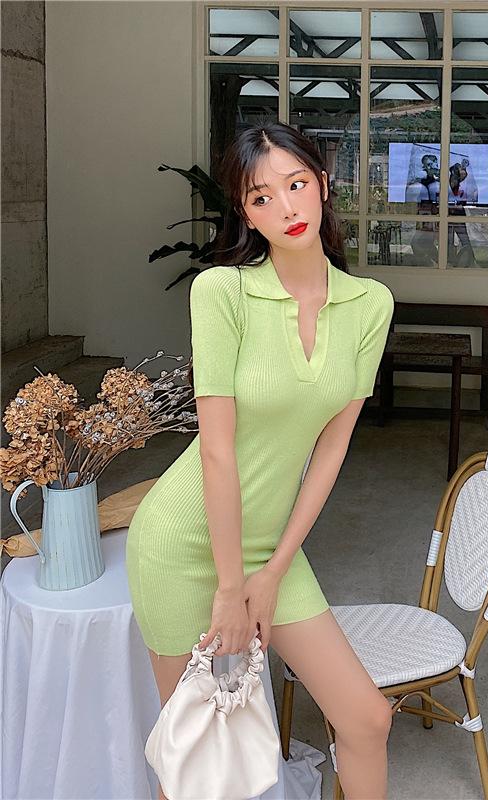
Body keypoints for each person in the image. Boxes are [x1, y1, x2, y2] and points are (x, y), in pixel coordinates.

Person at [126, 120, 395, 800]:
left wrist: (272, 570)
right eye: (261, 197)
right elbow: (217, 451)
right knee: (194, 758)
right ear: (245, 214)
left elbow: (332, 445)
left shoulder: (369, 305)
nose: (286, 208)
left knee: (366, 719)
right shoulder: (223, 292)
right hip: (185, 542)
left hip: (272, 547)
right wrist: (229, 588)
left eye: (296, 185)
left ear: (324, 185)